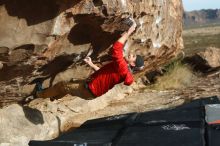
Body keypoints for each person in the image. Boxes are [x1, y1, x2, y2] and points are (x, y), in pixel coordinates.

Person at [36, 21, 144, 100]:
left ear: (133, 63)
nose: (130, 54)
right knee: (71, 82)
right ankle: (54, 96)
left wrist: (129, 31)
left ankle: (39, 94)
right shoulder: (122, 69)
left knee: (62, 85)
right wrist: (91, 64)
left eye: (133, 56)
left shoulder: (123, 68)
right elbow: (103, 74)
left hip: (88, 90)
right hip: (91, 88)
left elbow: (116, 48)